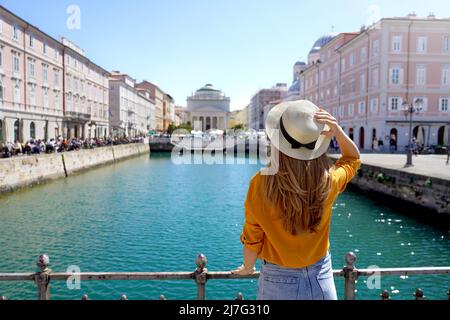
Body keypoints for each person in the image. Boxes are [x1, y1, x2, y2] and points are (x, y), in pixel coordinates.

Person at [231, 100, 361, 300]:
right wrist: (336, 129)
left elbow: (253, 235)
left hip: (277, 280)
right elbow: (352, 158)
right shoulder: (328, 180)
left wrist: (248, 267)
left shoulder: (261, 184)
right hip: (322, 277)